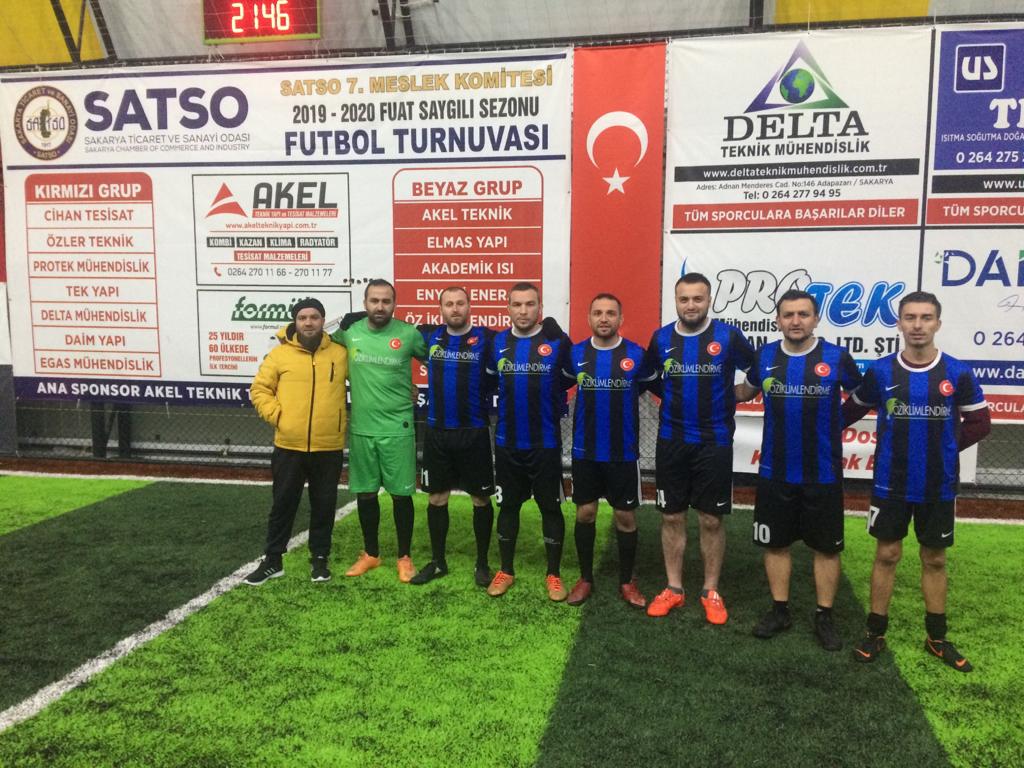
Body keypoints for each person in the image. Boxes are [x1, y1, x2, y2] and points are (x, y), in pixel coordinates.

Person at [842, 291, 990, 671]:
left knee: (934, 558)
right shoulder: (881, 371)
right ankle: (875, 632)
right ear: (899, 323)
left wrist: (945, 449)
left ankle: (937, 639)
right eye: (910, 317)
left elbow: (980, 423)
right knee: (887, 554)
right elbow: (849, 411)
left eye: (926, 317)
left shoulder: (957, 372)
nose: (918, 325)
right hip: (890, 482)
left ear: (938, 323)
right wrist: (817, 431)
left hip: (938, 484)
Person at [735, 290, 862, 650]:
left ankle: (824, 616)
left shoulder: (836, 357)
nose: (795, 321)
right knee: (775, 543)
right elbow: (745, 391)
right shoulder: (765, 356)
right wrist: (703, 390)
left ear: (815, 319)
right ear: (778, 320)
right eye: (788, 314)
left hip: (823, 472)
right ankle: (780, 610)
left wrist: (838, 422)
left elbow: (862, 396)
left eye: (803, 314)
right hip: (775, 470)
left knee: (826, 549)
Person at [643, 273, 754, 623]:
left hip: (714, 441)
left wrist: (738, 394)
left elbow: (757, 370)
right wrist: (672, 396)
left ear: (709, 301)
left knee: (710, 518)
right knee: (671, 515)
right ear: (676, 301)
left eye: (698, 298)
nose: (691, 305)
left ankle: (710, 590)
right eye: (684, 299)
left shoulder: (728, 336)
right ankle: (674, 588)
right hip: (672, 439)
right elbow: (650, 377)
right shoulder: (661, 338)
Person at [245, 298, 348, 585]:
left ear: (322, 321)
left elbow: (368, 379)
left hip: (328, 446)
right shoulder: (279, 355)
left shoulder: (340, 354)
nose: (308, 322)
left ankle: (320, 559)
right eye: (303, 318)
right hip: (288, 446)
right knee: (283, 505)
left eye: (314, 317)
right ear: (295, 322)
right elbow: (259, 390)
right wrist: (279, 417)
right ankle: (273, 561)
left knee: (324, 505)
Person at [563, 294, 657, 608]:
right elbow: (558, 384)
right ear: (589, 318)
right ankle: (585, 578)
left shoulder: (636, 355)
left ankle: (627, 581)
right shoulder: (575, 354)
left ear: (620, 319)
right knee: (585, 513)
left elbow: (646, 387)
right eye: (598, 313)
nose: (604, 318)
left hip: (622, 453)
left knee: (625, 517)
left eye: (610, 313)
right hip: (585, 451)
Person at [332, 279, 427, 583]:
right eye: (374, 300)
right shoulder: (349, 333)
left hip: (398, 428)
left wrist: (420, 389)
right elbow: (307, 337)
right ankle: (371, 554)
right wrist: (340, 322)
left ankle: (404, 557)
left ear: (395, 304)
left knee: (401, 495)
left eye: (386, 301)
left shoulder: (408, 334)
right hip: (362, 429)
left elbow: (441, 358)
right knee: (366, 493)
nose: (380, 306)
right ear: (365, 303)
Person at [485, 282, 573, 600]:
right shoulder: (497, 343)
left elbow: (572, 376)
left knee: (550, 507)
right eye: (517, 304)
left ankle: (554, 574)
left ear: (540, 308)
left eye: (530, 304)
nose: (523, 311)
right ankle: (506, 570)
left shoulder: (556, 342)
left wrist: (564, 338)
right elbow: (488, 381)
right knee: (508, 507)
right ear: (508, 308)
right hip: (508, 443)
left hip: (545, 444)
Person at [411, 286, 496, 587]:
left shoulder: (488, 338)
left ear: (469, 306)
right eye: (449, 304)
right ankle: (438, 562)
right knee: (437, 498)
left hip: (474, 431)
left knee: (480, 498)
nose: (455, 308)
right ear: (441, 309)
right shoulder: (428, 336)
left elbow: (518, 339)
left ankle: (482, 563)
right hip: (437, 432)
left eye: (460, 303)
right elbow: (390, 333)